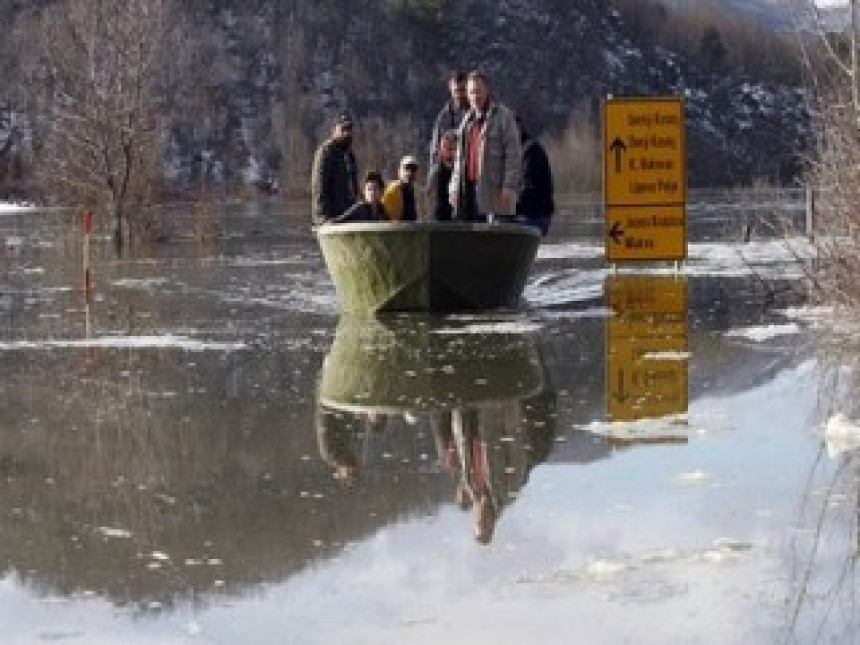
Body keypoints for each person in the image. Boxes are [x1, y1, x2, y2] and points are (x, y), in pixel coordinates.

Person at [449, 70, 522, 222]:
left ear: (487, 91)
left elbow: (513, 154)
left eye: (478, 91)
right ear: (467, 95)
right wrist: (454, 188)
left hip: (495, 193)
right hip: (468, 191)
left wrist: (508, 185)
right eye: (471, 92)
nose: (476, 96)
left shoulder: (504, 117)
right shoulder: (466, 122)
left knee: (496, 238)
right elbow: (458, 161)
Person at [310, 112, 359, 225]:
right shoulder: (326, 152)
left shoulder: (350, 156)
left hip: (347, 216)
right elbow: (318, 188)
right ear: (334, 130)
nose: (347, 133)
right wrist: (322, 218)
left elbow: (354, 188)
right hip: (331, 219)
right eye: (343, 129)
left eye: (349, 129)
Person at [515, 115, 555, 235]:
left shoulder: (531, 151)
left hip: (535, 215)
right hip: (527, 213)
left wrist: (510, 208)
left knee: (498, 222)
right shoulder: (515, 151)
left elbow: (530, 189)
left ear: (519, 128)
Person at [428, 71, 469, 169]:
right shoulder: (444, 117)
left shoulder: (481, 113)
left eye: (463, 90)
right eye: (456, 91)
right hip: (451, 171)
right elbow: (435, 150)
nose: (459, 95)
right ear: (451, 90)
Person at [425, 130, 457, 222]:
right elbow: (429, 195)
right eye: (446, 148)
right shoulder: (435, 172)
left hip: (457, 219)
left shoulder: (460, 173)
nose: (449, 152)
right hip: (438, 219)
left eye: (452, 149)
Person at [382, 155, 420, 222]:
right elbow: (392, 220)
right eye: (406, 168)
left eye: (413, 169)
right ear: (399, 172)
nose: (409, 172)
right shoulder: (393, 190)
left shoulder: (411, 191)